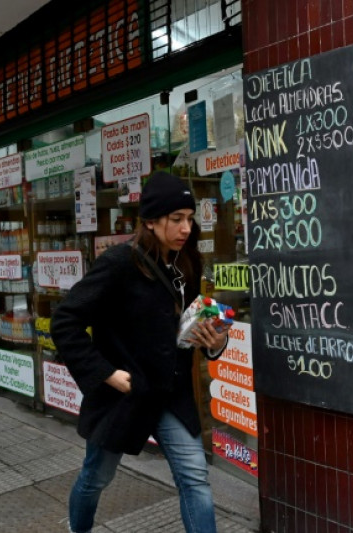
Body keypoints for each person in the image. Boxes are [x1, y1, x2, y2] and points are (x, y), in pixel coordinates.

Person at [52, 170, 230, 533]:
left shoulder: (186, 262)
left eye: (190, 218)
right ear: (150, 221)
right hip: (126, 396)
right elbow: (65, 322)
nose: (186, 228)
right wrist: (106, 373)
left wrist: (215, 343)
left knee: (195, 478)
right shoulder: (119, 263)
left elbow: (187, 328)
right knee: (96, 477)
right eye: (176, 219)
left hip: (172, 394)